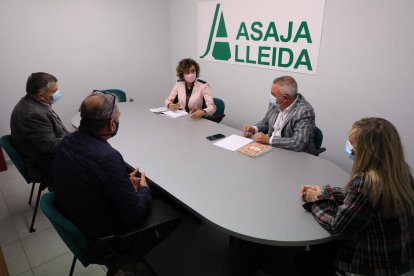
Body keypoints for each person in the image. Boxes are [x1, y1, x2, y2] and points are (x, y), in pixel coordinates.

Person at [53, 91, 179, 273]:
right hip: (104, 235)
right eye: (118, 117)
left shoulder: (67, 141)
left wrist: (123, 182)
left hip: (77, 215)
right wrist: (144, 189)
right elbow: (133, 212)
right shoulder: (107, 157)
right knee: (172, 207)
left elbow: (91, 176)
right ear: (112, 124)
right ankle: (132, 257)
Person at [301, 117, 414, 276]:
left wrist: (316, 201)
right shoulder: (402, 173)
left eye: (352, 144)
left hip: (372, 266)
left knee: (305, 258)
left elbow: (338, 228)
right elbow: (359, 200)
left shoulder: (365, 184)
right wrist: (325, 193)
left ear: (368, 151)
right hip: (400, 259)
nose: (349, 147)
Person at [10, 72, 68, 189]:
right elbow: (50, 146)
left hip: (44, 153)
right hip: (44, 162)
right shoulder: (33, 113)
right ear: (41, 95)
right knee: (92, 162)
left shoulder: (35, 102)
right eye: (55, 91)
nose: (58, 93)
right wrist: (77, 140)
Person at [242, 76, 316, 154]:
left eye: (273, 94)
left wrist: (269, 140)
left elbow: (298, 143)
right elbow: (266, 122)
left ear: (285, 98)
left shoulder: (304, 111)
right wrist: (253, 129)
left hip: (293, 155)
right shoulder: (275, 103)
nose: (271, 97)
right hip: (272, 150)